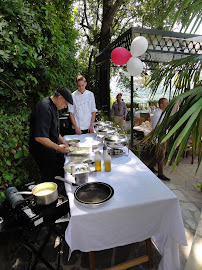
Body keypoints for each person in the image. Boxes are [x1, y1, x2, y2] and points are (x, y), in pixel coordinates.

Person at [29, 86, 73, 192]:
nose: (65, 106)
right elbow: (40, 137)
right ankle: (49, 198)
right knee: (49, 176)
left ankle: (58, 191)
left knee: (58, 171)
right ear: (60, 98)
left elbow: (53, 129)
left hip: (50, 148)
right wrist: (58, 148)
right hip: (41, 150)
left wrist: (62, 140)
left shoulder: (53, 106)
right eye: (65, 104)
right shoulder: (44, 108)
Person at [148, 98, 170, 181]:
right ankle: (160, 174)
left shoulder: (162, 113)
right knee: (161, 156)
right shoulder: (158, 114)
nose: (168, 105)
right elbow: (157, 128)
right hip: (160, 138)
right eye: (167, 103)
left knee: (158, 155)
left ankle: (150, 166)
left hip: (163, 137)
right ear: (161, 105)